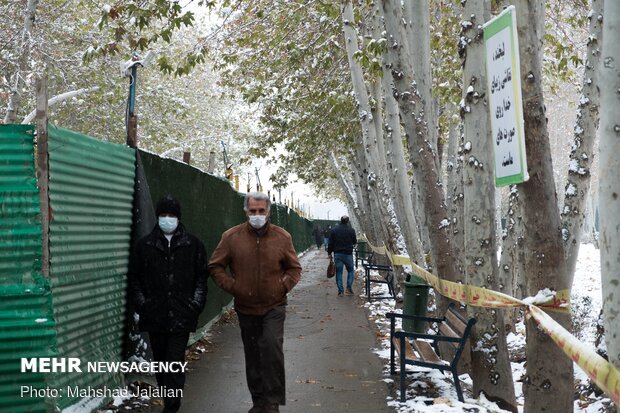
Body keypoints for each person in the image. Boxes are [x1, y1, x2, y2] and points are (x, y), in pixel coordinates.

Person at [208, 192, 302, 413]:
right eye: (253, 211)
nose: (257, 215)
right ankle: (258, 401)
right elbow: (215, 266)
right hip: (245, 306)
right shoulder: (231, 237)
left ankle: (272, 403)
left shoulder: (282, 237)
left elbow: (294, 268)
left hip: (274, 305)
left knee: (271, 347)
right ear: (246, 212)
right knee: (253, 354)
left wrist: (282, 285)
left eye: (261, 211)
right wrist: (234, 287)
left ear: (268, 212)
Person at [128, 195, 208, 413]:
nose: (167, 219)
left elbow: (202, 277)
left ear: (178, 218)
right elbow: (135, 278)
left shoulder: (193, 245)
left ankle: (172, 407)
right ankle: (168, 399)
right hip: (155, 315)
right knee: (161, 365)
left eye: (171, 215)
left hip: (182, 315)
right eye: (163, 214)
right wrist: (143, 304)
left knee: (174, 362)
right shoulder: (145, 246)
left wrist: (195, 304)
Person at [327, 215, 357, 297]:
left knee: (339, 272)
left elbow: (330, 243)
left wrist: (329, 253)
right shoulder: (351, 230)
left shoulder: (334, 230)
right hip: (348, 254)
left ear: (340, 220)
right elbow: (354, 241)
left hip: (338, 254)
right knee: (350, 271)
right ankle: (349, 288)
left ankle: (340, 291)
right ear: (347, 221)